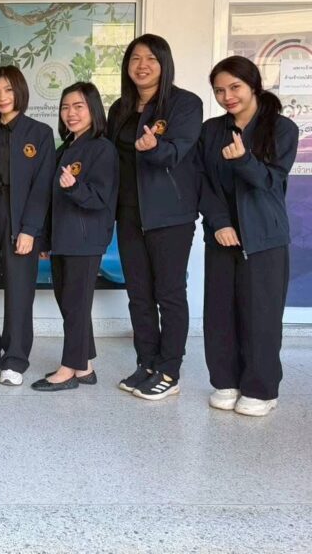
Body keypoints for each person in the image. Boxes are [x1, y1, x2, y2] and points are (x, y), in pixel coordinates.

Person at [198, 56, 297, 417]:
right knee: (219, 313)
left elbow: (270, 181)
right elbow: (203, 183)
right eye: (219, 90)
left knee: (261, 316)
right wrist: (219, 223)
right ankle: (226, 381)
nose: (227, 96)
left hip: (264, 238)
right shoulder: (211, 131)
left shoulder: (282, 129)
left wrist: (243, 160)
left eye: (234, 87)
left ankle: (260, 389)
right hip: (222, 238)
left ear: (253, 85)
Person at [107, 34, 203, 401]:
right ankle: (146, 363)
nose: (142, 65)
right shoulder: (120, 108)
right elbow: (110, 158)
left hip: (170, 215)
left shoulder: (185, 104)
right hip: (129, 214)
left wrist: (154, 147)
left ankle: (169, 370)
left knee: (169, 294)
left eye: (150, 58)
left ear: (164, 64)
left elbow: (178, 150)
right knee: (138, 294)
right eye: (135, 58)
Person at [0, 66, 55, 386]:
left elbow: (42, 186)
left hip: (22, 219)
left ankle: (15, 360)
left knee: (20, 292)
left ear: (20, 92)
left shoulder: (40, 133)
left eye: (7, 90)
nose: (2, 97)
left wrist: (30, 229)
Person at [31, 82, 117, 392]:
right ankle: (85, 367)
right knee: (70, 304)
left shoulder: (102, 149)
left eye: (78, 106)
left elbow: (101, 198)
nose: (71, 113)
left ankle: (68, 369)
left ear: (93, 109)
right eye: (66, 107)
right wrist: (45, 240)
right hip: (63, 240)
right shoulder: (65, 148)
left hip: (85, 239)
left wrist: (75, 188)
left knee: (76, 305)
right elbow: (51, 201)